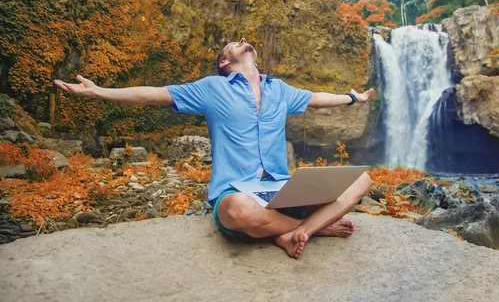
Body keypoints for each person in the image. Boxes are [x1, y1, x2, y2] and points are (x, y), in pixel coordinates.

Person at [54, 37, 373, 258]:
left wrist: (352, 98)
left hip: (280, 188)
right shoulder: (212, 89)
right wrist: (99, 93)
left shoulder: (281, 90)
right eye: (232, 44)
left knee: (363, 180)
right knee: (240, 210)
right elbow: (153, 94)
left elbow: (317, 100)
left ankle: (293, 231)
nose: (241, 40)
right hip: (237, 192)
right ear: (225, 61)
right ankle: (315, 229)